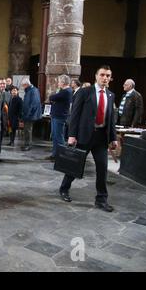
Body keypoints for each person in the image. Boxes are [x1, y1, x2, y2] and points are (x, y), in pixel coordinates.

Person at [59, 65, 118, 212]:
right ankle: (64, 189)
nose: (105, 78)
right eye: (102, 75)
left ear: (110, 78)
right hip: (83, 136)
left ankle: (101, 199)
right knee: (75, 165)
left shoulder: (110, 95)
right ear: (96, 76)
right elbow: (75, 115)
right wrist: (72, 135)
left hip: (101, 138)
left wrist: (113, 138)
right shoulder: (85, 92)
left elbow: (111, 119)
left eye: (108, 76)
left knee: (102, 169)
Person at [46, 74, 72, 161]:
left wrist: (53, 98)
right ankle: (54, 154)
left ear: (63, 82)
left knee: (59, 137)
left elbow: (52, 97)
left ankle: (61, 156)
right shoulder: (62, 91)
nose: (58, 83)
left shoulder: (66, 91)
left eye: (59, 82)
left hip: (59, 117)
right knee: (54, 136)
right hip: (56, 116)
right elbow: (53, 98)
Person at [21, 78, 42, 151]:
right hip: (28, 114)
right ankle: (27, 144)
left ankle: (28, 145)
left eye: (23, 85)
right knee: (27, 130)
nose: (22, 87)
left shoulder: (33, 91)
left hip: (30, 115)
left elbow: (33, 104)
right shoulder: (30, 90)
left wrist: (28, 114)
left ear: (26, 84)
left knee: (28, 130)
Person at [0, 77, 11, 163]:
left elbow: (9, 107)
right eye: (1, 83)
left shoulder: (8, 94)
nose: (3, 85)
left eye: (4, 83)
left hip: (3, 120)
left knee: (0, 140)